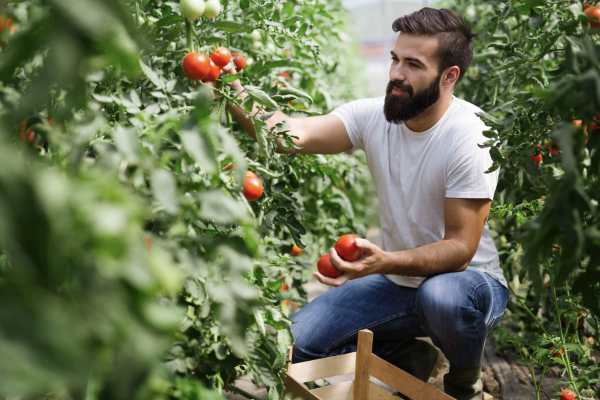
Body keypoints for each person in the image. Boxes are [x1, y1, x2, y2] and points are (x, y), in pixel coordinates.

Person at [220, 7, 508, 400]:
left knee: (441, 298)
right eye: (394, 59)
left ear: (449, 76)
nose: (395, 74)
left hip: (468, 285)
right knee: (298, 346)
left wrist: (384, 260)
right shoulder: (374, 116)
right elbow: (286, 135)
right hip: (398, 283)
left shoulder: (470, 136)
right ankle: (407, 355)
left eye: (412, 64)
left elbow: (459, 250)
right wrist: (227, 84)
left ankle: (464, 378)